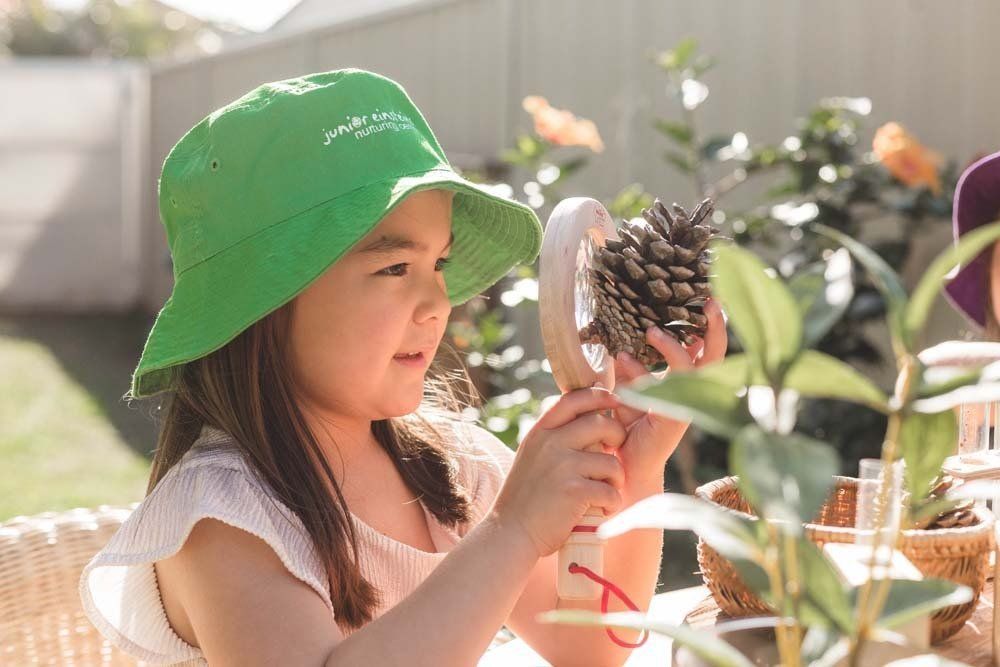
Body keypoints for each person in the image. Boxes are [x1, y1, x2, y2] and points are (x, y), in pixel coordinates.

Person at [78, 68, 727, 666]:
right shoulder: (223, 519)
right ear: (264, 304)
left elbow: (585, 645)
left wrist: (639, 467)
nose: (438, 302)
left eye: (439, 265)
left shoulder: (448, 465)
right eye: (394, 267)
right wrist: (511, 531)